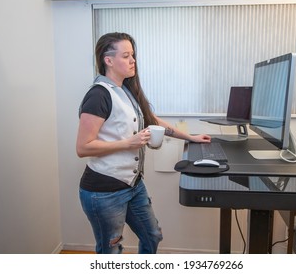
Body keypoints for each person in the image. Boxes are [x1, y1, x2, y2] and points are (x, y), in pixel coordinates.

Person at [76, 32, 211, 254]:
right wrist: (129, 142)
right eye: (126, 56)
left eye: (133, 55)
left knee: (152, 235)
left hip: (132, 184)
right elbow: (83, 147)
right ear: (108, 61)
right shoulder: (98, 96)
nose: (133, 61)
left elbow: (153, 120)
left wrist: (191, 137)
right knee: (111, 250)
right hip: (104, 190)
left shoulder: (126, 90)